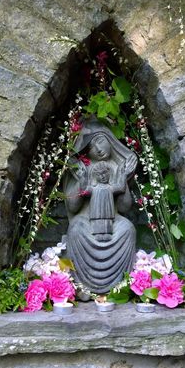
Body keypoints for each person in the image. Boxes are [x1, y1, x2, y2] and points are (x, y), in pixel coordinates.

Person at [63, 118, 137, 294]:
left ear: (111, 140)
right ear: (85, 151)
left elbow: (125, 207)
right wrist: (82, 182)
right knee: (75, 230)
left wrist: (124, 179)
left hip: (113, 221)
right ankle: (80, 286)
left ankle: (120, 286)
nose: (98, 149)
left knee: (128, 229)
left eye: (101, 141)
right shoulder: (82, 168)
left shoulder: (117, 168)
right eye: (91, 146)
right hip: (86, 221)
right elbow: (73, 207)